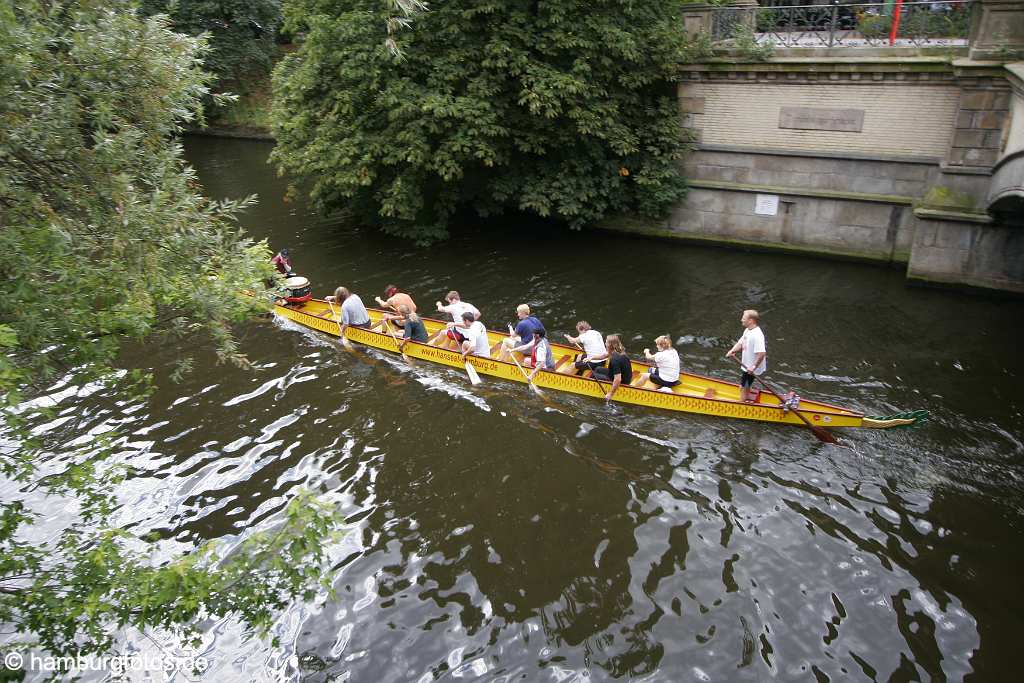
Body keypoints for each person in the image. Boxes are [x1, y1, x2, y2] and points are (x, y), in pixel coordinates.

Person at [725, 309, 767, 402]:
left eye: (744, 318)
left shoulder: (757, 335)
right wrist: (732, 350)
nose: (741, 320)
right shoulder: (747, 330)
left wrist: (753, 366)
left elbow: (762, 353)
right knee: (746, 384)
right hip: (747, 365)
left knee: (744, 386)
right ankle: (748, 392)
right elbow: (740, 343)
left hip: (751, 367)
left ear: (751, 320)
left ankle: (741, 404)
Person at [593, 334, 632, 402]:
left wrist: (610, 394)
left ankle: (593, 389)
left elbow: (618, 379)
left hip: (623, 382)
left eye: (606, 342)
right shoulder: (619, 350)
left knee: (593, 375)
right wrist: (590, 358)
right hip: (625, 376)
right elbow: (605, 355)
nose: (605, 343)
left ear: (609, 345)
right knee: (598, 369)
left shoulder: (615, 358)